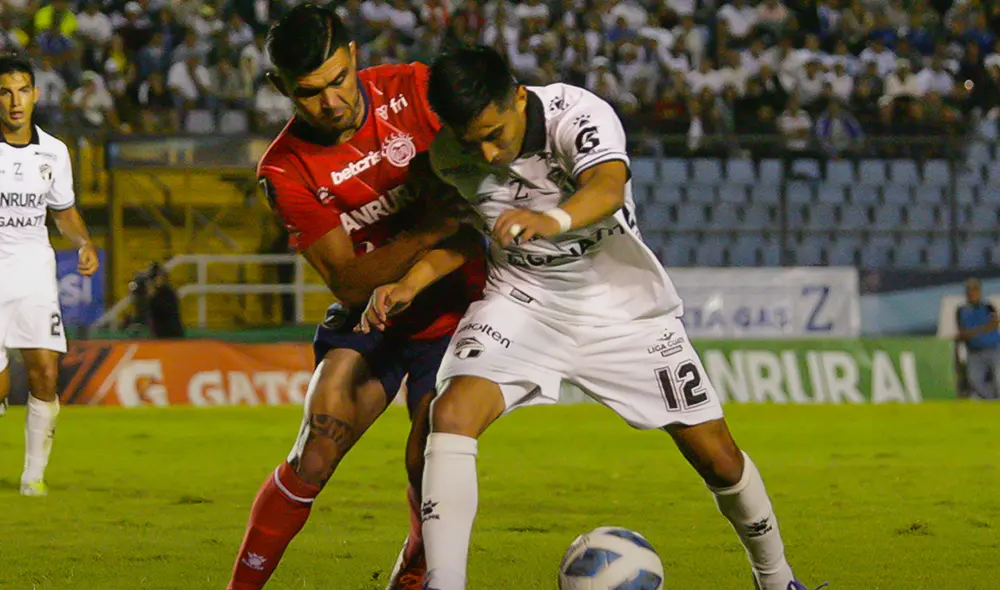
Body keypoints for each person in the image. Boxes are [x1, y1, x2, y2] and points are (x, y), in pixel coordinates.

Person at [361, 45, 819, 590]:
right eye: (470, 140)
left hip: (623, 309)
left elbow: (606, 188)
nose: (485, 153)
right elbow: (464, 232)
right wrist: (410, 281)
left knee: (718, 457)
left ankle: (778, 579)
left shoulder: (577, 114)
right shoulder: (449, 158)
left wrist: (548, 219)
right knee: (452, 412)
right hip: (523, 300)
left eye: (493, 134)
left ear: (516, 97)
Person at [226, 6, 484, 590]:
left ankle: (412, 579)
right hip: (373, 314)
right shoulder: (284, 168)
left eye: (339, 79)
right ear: (280, 88)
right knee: (314, 452)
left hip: (457, 313)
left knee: (429, 467)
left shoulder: (417, 90)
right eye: (309, 92)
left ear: (354, 56)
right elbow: (346, 279)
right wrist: (428, 228)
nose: (331, 102)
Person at [0, 52, 100, 496]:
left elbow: (63, 212)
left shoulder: (54, 151)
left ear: (36, 94)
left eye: (22, 90)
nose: (14, 101)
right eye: (4, 92)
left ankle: (32, 477)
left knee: (44, 371)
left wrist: (83, 242)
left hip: (33, 272)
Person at [956, 278, 1000, 400]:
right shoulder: (961, 310)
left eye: (975, 290)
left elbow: (995, 323)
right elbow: (963, 333)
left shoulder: (988, 307)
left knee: (999, 379)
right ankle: (993, 401)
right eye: (969, 290)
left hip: (994, 349)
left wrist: (974, 331)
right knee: (974, 381)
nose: (972, 293)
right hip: (974, 352)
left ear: (979, 291)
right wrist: (983, 329)